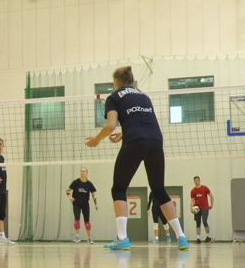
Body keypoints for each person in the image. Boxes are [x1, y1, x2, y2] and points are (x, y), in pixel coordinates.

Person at [85, 66, 189, 250]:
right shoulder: (144, 96)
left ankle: (122, 238)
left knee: (119, 189)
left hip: (135, 140)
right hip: (155, 140)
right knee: (159, 190)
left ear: (115, 82)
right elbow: (143, 121)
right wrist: (125, 134)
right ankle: (181, 237)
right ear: (131, 81)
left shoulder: (114, 97)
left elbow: (110, 126)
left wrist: (96, 140)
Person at [65, 167, 98, 244]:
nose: (83, 172)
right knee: (77, 219)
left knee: (87, 221)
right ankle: (77, 237)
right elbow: (68, 190)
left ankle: (89, 238)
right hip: (76, 203)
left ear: (87, 173)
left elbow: (93, 194)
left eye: (84, 171)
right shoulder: (76, 182)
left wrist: (96, 204)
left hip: (85, 204)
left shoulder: (89, 184)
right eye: (81, 171)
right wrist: (70, 197)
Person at [190, 176, 214, 244]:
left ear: (200, 181)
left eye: (197, 180)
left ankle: (208, 236)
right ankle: (198, 238)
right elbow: (192, 200)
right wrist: (191, 208)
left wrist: (211, 205)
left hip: (205, 207)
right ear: (194, 182)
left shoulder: (204, 188)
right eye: (195, 180)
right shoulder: (193, 191)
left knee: (204, 221)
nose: (196, 182)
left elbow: (211, 196)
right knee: (198, 222)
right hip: (197, 208)